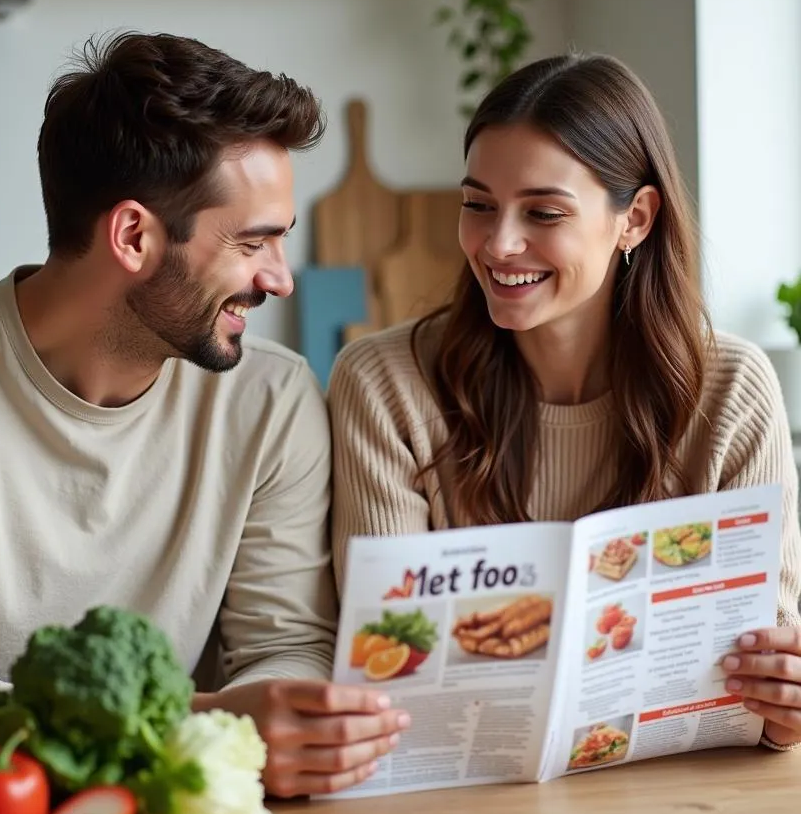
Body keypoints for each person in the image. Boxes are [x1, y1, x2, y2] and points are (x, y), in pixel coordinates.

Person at [0, 31, 409, 797]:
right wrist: (171, 730)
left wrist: (276, 721)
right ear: (134, 236)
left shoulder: (269, 399)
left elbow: (285, 646)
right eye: (253, 243)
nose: (278, 279)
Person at [328, 53, 801, 751]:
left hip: (670, 802)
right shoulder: (384, 382)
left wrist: (785, 702)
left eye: (542, 212)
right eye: (477, 205)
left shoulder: (732, 388)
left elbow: (762, 686)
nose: (498, 244)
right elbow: (393, 670)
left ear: (635, 218)